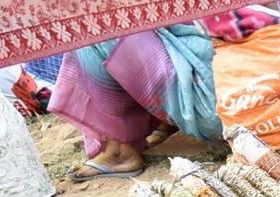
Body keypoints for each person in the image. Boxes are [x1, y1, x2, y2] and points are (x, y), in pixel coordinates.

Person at [50, 27, 221, 182]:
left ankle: (118, 152)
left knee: (94, 25)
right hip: (232, 100)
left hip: (219, 106)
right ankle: (164, 122)